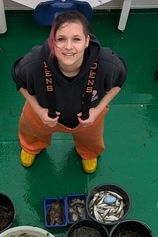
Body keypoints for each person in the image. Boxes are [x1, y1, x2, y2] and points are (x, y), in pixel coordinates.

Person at [12, 10, 127, 173]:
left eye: (76, 39)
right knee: (31, 132)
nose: (68, 47)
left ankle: (88, 152)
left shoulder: (107, 63)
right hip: (41, 114)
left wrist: (97, 111)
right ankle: (31, 147)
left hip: (89, 118)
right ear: (53, 41)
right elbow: (19, 82)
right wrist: (38, 111)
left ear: (87, 41)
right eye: (61, 39)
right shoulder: (34, 61)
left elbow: (118, 83)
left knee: (91, 139)